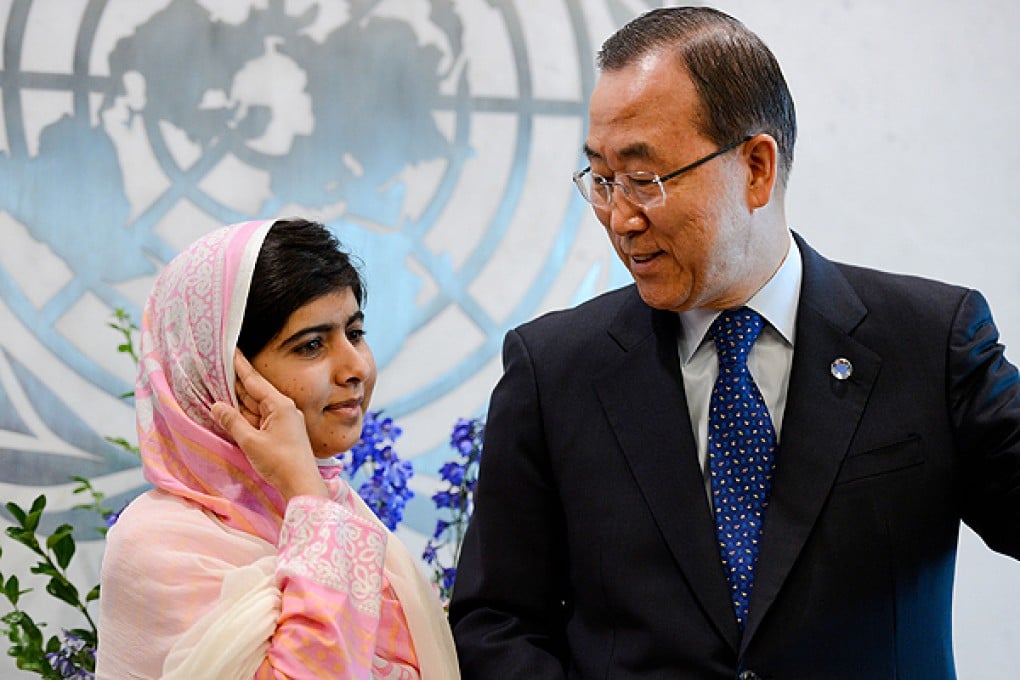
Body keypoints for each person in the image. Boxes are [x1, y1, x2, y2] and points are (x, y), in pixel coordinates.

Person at [448, 6, 1020, 680]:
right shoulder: (554, 371)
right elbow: (496, 621)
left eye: (645, 178)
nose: (620, 217)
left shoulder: (929, 341)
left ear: (755, 167)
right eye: (601, 179)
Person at [96, 218, 459, 679]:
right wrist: (306, 493)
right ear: (221, 377)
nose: (355, 368)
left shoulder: (341, 508)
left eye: (355, 333)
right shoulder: (161, 547)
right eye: (310, 346)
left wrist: (309, 497)